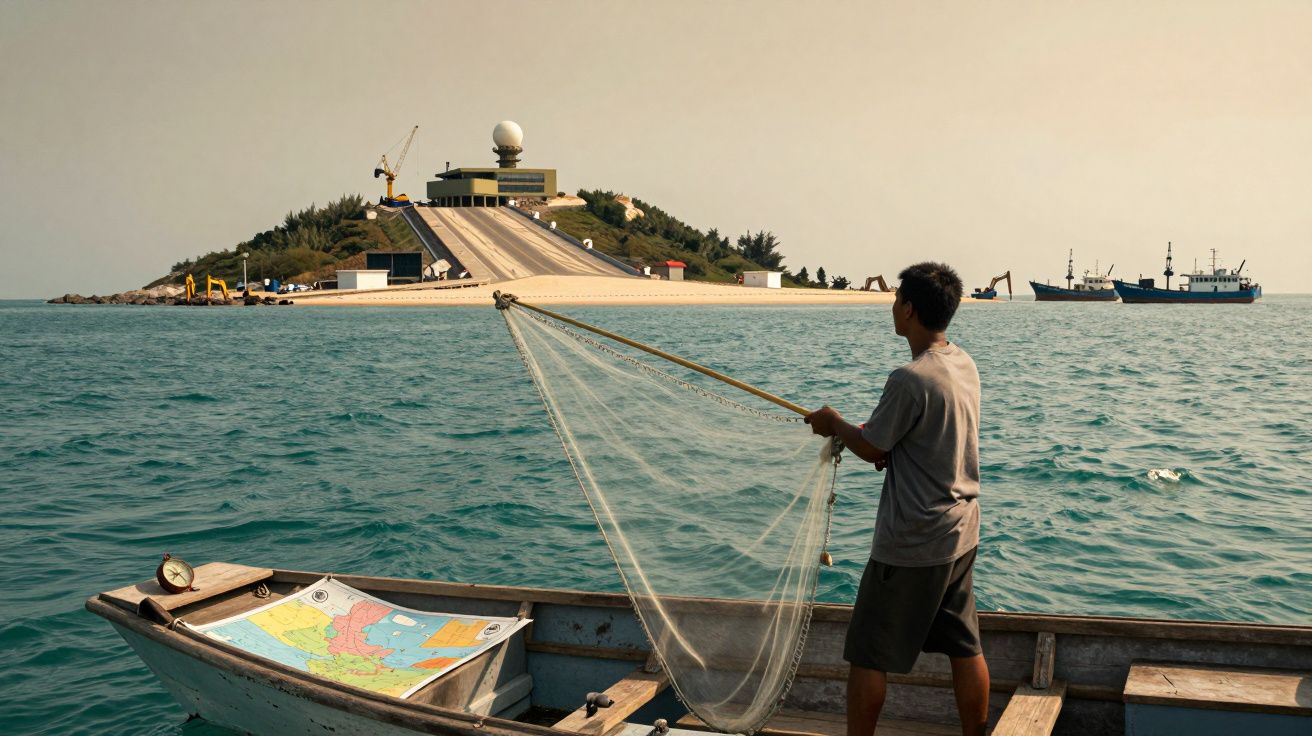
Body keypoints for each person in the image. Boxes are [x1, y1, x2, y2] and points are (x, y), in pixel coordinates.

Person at [804, 262, 988, 736]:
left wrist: (834, 423)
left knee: (868, 653)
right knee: (965, 645)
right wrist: (885, 447)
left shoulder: (909, 378)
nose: (892, 307)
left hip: (913, 541)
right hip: (962, 531)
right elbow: (914, 437)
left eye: (896, 300)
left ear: (908, 309)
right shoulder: (962, 363)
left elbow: (871, 446)